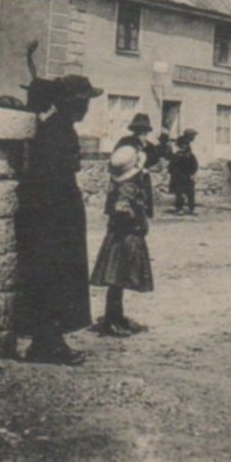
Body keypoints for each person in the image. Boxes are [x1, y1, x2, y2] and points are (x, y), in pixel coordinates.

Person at [16, 75, 101, 365]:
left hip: (58, 213)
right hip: (53, 217)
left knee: (59, 277)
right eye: (84, 102)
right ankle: (47, 343)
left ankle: (50, 339)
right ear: (70, 103)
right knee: (54, 277)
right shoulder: (55, 132)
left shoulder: (59, 128)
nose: (86, 108)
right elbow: (49, 178)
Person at [90, 143, 155, 336]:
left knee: (118, 281)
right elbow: (121, 207)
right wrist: (131, 214)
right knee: (117, 279)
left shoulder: (121, 183)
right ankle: (112, 320)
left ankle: (116, 316)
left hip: (121, 237)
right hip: (125, 238)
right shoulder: (128, 186)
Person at [114, 112, 165, 218]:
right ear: (134, 130)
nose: (141, 132)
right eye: (138, 129)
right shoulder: (125, 141)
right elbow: (116, 160)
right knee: (122, 211)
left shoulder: (149, 146)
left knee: (140, 212)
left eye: (144, 130)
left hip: (142, 181)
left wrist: (146, 168)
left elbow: (158, 166)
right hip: (125, 180)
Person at [168, 129, 199, 215]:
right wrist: (175, 173)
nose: (184, 146)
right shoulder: (176, 156)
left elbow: (194, 165)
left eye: (186, 145)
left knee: (190, 193)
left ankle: (191, 209)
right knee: (179, 193)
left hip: (187, 176)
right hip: (178, 177)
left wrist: (192, 173)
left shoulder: (190, 155)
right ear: (180, 145)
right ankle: (179, 208)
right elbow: (171, 167)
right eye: (183, 145)